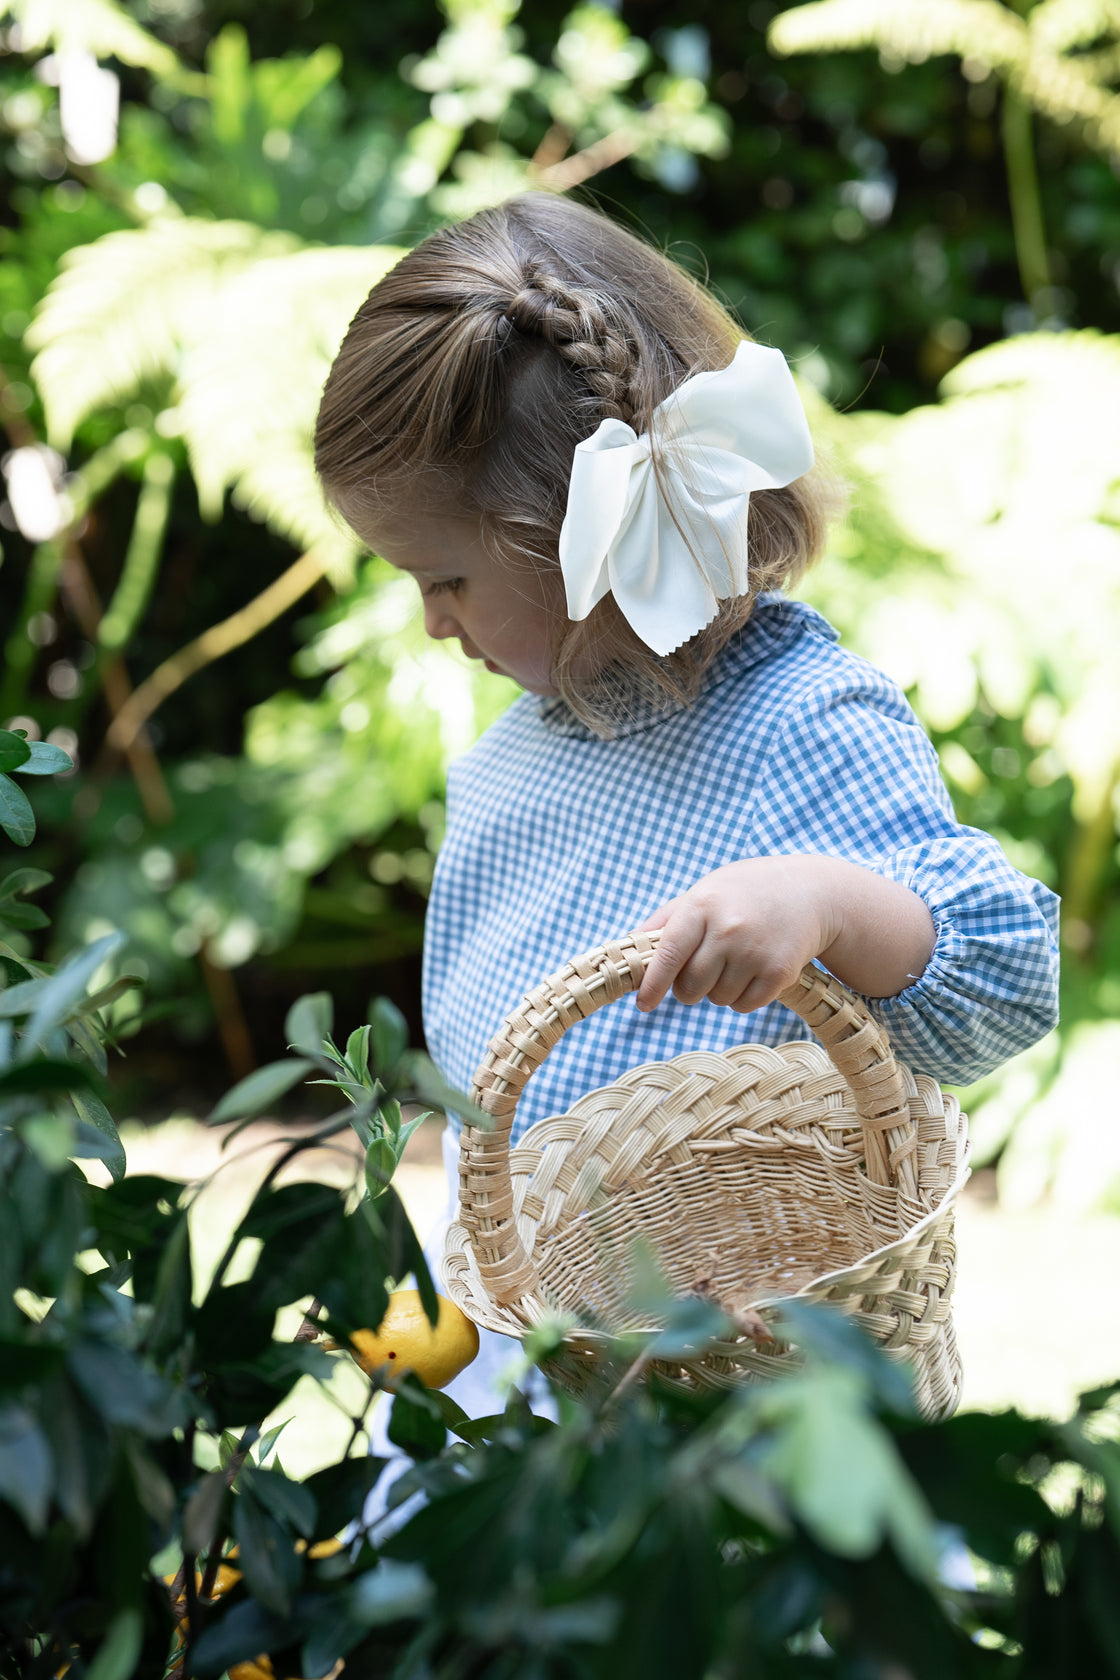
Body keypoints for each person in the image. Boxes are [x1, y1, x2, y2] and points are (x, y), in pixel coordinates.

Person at [314, 191, 1060, 1426]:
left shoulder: (797, 724)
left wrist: (821, 901)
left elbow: (1004, 972)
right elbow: (494, 1100)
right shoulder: (510, 767)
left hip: (761, 1391)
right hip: (547, 1370)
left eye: (443, 578)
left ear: (572, 536)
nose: (431, 622)